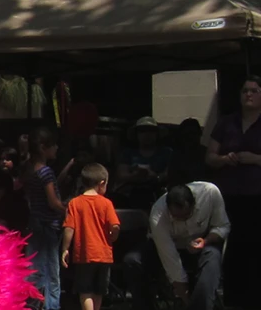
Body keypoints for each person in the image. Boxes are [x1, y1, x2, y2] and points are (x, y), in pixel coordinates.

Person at [124, 182, 229, 310]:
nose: (182, 220)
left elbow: (222, 226)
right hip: (167, 247)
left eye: (186, 215)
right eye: (177, 217)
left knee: (212, 258)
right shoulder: (158, 214)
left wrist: (205, 240)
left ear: (193, 204)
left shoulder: (210, 193)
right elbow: (168, 255)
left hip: (200, 245)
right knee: (133, 260)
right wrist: (183, 293)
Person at [205, 75, 261, 306]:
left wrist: (255, 158)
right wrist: (224, 159)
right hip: (229, 196)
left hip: (257, 196)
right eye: (244, 90)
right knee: (233, 250)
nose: (248, 94)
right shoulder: (226, 122)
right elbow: (208, 158)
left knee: (256, 249)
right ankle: (234, 300)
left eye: (254, 90)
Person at [62, 163, 120, 310]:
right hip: (104, 255)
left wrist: (65, 248)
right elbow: (115, 225)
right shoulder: (107, 203)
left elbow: (69, 228)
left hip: (84, 255)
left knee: (85, 291)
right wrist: (113, 236)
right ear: (102, 183)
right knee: (99, 291)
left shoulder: (74, 203)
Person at [23, 127, 67, 310]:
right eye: (53, 145)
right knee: (51, 275)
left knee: (35, 272)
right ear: (43, 147)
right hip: (48, 226)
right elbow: (53, 202)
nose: (56, 148)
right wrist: (67, 210)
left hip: (34, 223)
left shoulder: (28, 169)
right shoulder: (46, 172)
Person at [118, 117, 171, 208]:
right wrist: (136, 176)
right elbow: (121, 175)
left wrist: (156, 177)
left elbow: (171, 173)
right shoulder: (128, 153)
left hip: (159, 194)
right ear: (136, 134)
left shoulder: (166, 152)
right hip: (132, 195)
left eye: (151, 131)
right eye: (142, 131)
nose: (147, 135)